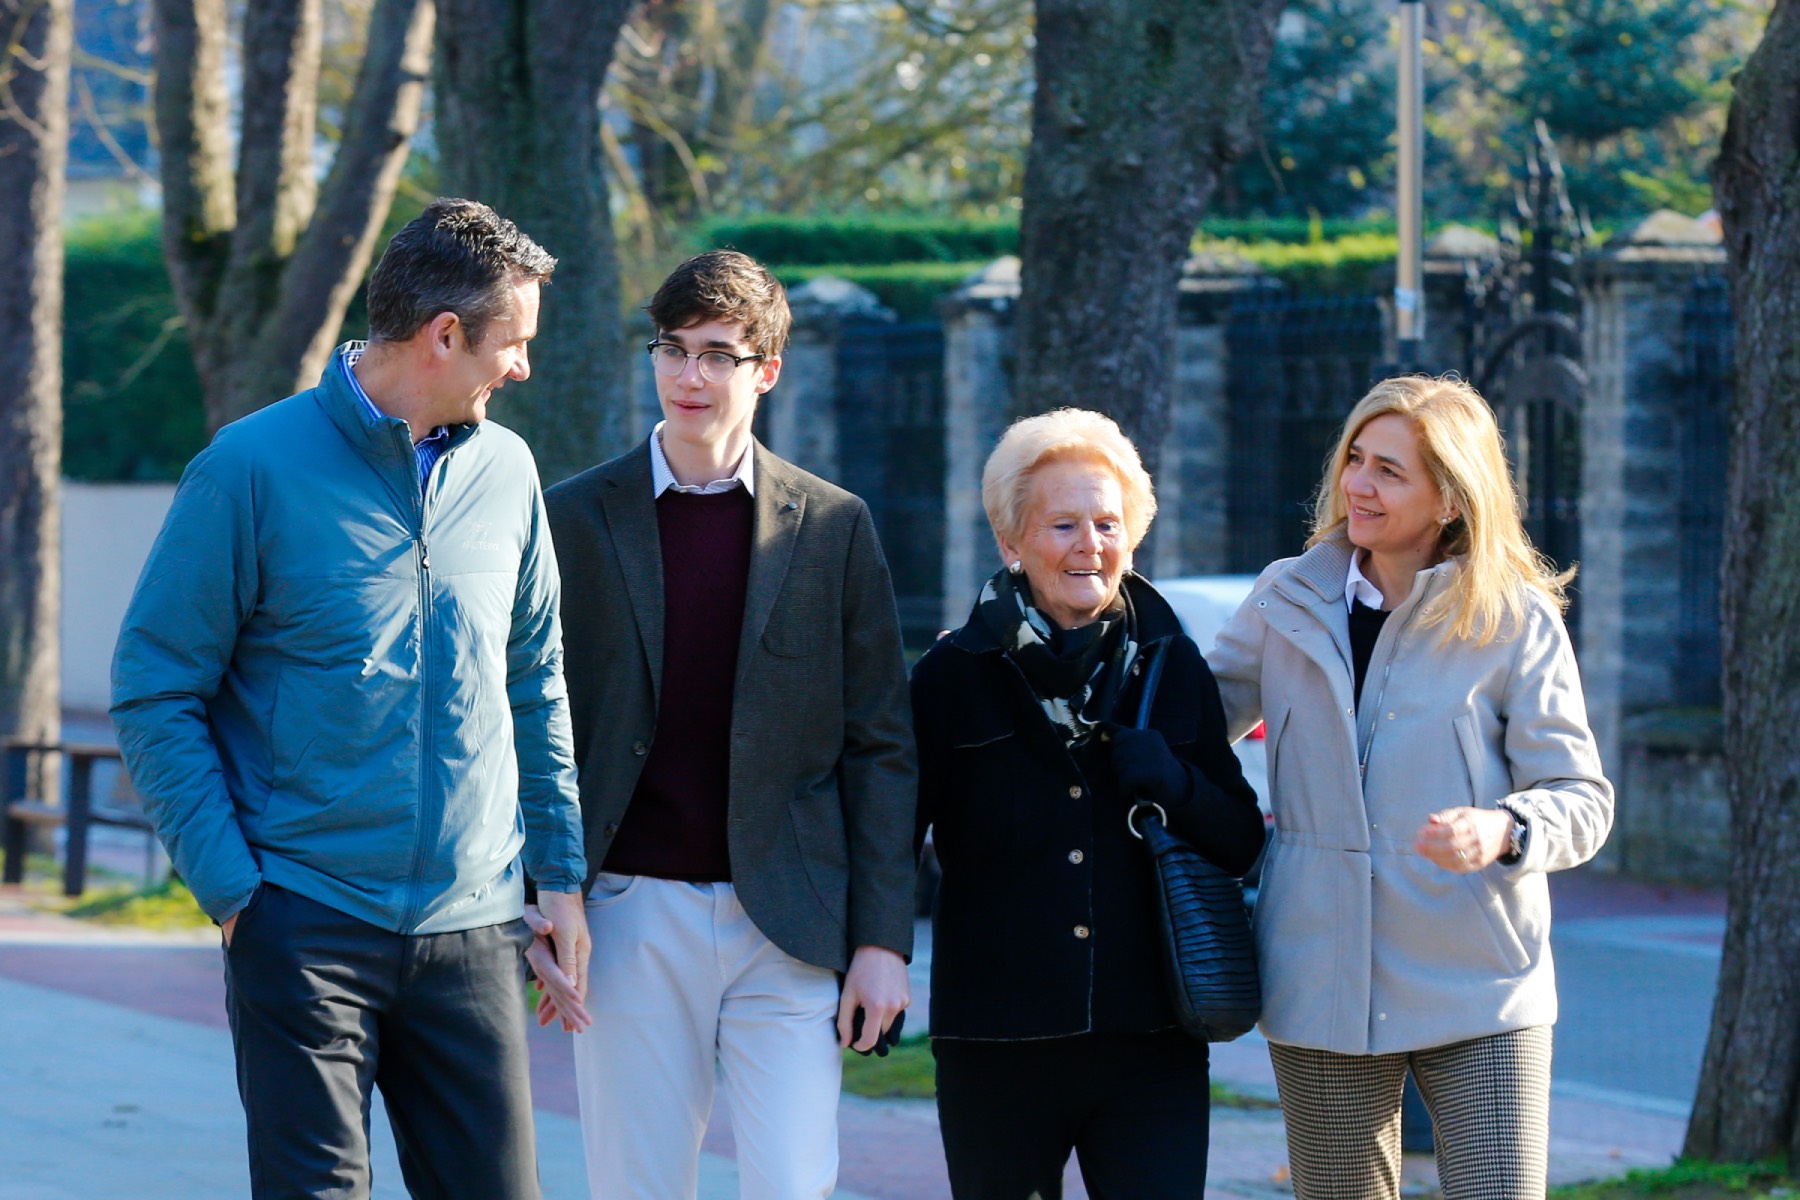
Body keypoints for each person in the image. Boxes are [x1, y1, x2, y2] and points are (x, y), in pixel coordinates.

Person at [110, 199, 589, 1200]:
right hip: (306, 921)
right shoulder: (249, 468)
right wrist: (238, 894)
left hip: (474, 928)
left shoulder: (508, 473)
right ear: (444, 335)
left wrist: (559, 874)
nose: (524, 367)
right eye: (515, 342)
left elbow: (535, 677)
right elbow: (156, 686)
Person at [538, 249, 917, 1200]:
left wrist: (883, 939)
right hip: (627, 912)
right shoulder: (575, 517)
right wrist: (546, 890)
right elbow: (534, 721)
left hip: (787, 921)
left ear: (768, 369)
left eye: (717, 354)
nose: (689, 377)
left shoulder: (833, 527)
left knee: (791, 1184)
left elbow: (880, 742)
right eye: (672, 350)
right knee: (638, 1186)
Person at [1208, 375, 1614, 1200]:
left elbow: (1581, 794)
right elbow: (1186, 721)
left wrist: (1505, 828)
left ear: (1453, 499)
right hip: (1317, 978)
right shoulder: (1285, 598)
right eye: (1356, 458)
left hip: (1484, 984)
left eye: (1390, 471)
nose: (1358, 483)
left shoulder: (1513, 618)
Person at [911, 408, 1265, 1199]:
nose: (1090, 545)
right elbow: (892, 837)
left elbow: (1243, 840)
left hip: (1152, 1043)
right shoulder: (952, 676)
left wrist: (1173, 782)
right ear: (1011, 542)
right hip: (996, 1042)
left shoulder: (1174, 668)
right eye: (1063, 524)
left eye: (1108, 523)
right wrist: (873, 958)